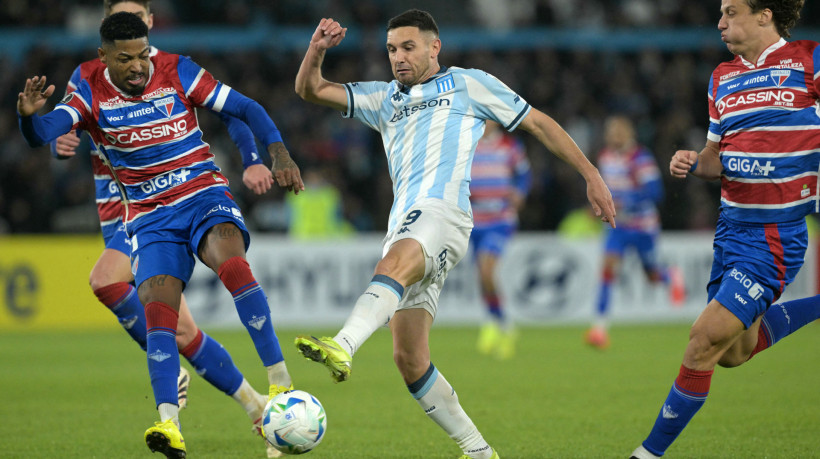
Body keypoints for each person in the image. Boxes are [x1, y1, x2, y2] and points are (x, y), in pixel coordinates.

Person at [292, 10, 615, 459]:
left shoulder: (469, 83)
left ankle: (344, 344)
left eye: (408, 47)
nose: (398, 58)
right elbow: (309, 89)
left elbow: (538, 123)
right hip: (406, 223)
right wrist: (316, 50)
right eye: (391, 50)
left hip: (444, 214)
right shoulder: (385, 99)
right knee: (409, 359)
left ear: (433, 47)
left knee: (390, 267)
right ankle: (478, 450)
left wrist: (591, 174)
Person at [17, 12, 304, 458]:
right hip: (148, 216)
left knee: (231, 264)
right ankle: (169, 423)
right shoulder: (88, 87)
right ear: (104, 56)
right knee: (158, 308)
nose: (137, 66)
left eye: (142, 55)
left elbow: (245, 107)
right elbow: (45, 132)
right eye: (125, 58)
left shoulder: (177, 69)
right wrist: (29, 119)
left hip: (201, 192)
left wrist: (277, 153)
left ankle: (281, 386)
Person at [630, 1, 820, 457]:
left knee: (702, 340)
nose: (720, 23)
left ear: (764, 15)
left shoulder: (808, 60)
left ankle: (646, 453)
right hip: (731, 228)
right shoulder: (721, 78)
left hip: (777, 231)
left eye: (730, 12)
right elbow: (715, 156)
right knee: (734, 351)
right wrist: (694, 162)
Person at [585, 115, 685, 350]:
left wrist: (625, 203)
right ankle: (599, 329)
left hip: (643, 226)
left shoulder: (641, 158)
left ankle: (671, 276)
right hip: (617, 227)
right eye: (610, 131)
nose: (613, 136)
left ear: (629, 134)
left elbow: (655, 192)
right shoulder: (605, 157)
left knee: (651, 276)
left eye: (618, 131)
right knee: (607, 269)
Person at [469, 120, 531, 360]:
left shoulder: (510, 145)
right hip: (474, 219)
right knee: (482, 277)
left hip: (500, 219)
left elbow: (524, 174)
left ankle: (499, 324)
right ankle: (497, 322)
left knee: (487, 271)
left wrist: (520, 192)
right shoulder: (469, 142)